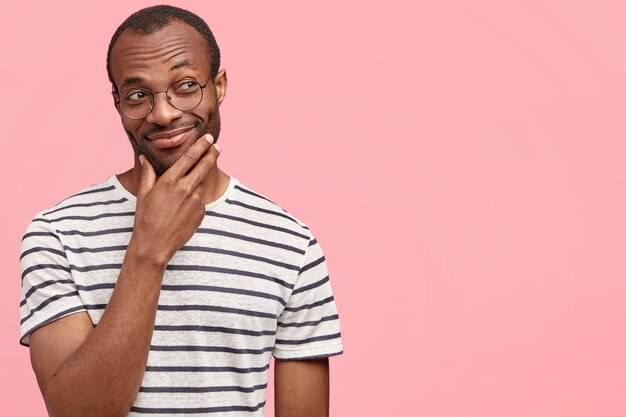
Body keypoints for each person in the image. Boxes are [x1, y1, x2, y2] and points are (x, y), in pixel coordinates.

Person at [19, 5, 343, 417]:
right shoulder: (57, 234)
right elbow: (77, 413)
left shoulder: (292, 243)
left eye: (186, 85)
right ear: (117, 104)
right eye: (138, 95)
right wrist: (149, 250)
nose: (164, 113)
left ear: (219, 86)